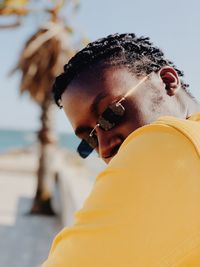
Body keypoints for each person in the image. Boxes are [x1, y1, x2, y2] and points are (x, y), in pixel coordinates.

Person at [42, 33, 200, 267]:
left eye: (111, 114)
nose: (105, 148)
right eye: (90, 141)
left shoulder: (169, 141)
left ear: (167, 82)